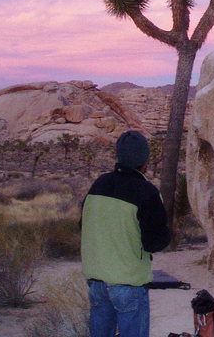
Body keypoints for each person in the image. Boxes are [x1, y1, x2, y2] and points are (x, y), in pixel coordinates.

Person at [81, 130, 171, 337]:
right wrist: (168, 233)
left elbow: (84, 225)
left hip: (97, 280)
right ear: (144, 159)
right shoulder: (147, 191)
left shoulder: (99, 185)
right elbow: (153, 242)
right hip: (128, 282)